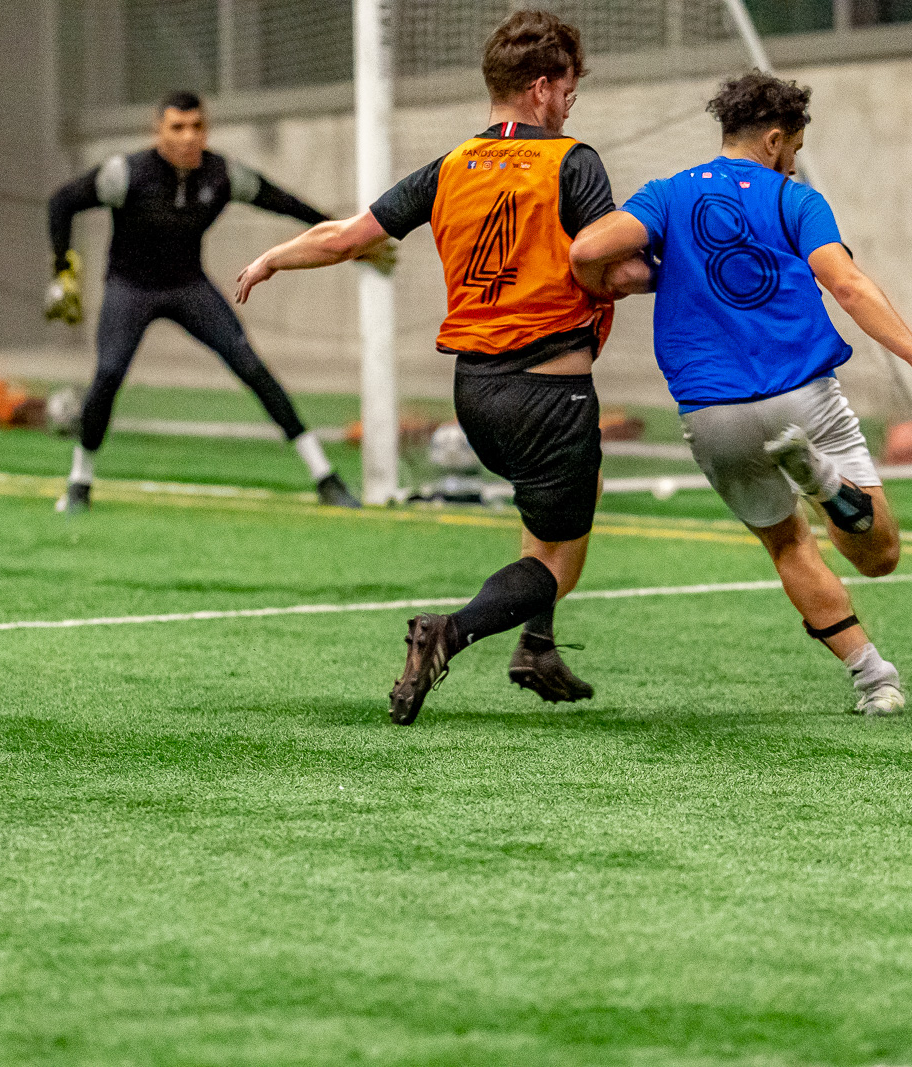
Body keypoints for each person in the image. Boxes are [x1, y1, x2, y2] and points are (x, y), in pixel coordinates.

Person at [235, 11, 648, 725]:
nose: (570, 104)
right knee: (555, 559)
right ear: (542, 88)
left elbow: (348, 237)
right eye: (568, 90)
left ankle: (538, 645)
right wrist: (683, 261)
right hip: (549, 394)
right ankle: (448, 633)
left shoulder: (451, 166)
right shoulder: (572, 162)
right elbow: (609, 265)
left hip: (476, 396)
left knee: (559, 507)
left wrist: (274, 257)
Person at [569, 71, 912, 716]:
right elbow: (848, 286)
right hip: (802, 398)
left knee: (787, 544)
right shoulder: (795, 200)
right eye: (794, 148)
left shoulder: (666, 195)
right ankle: (826, 483)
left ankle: (874, 678)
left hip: (711, 413)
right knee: (880, 554)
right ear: (775, 140)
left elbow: (588, 250)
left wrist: (640, 281)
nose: (794, 162)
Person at [46, 89, 368, 512]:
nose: (188, 136)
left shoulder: (222, 175)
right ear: (157, 131)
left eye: (197, 126)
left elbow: (282, 202)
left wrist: (349, 235)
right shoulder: (126, 173)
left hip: (188, 286)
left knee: (251, 366)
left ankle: (325, 478)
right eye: (177, 127)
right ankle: (79, 483)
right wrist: (63, 269)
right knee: (107, 375)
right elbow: (62, 202)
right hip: (130, 288)